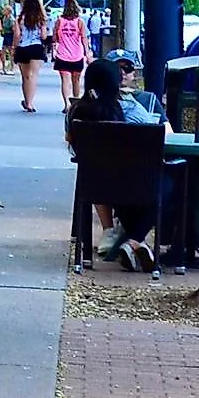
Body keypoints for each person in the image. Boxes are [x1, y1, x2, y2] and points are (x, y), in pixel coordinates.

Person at [66, 56, 168, 272]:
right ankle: (135, 242)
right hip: (138, 184)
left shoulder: (76, 113)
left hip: (96, 187)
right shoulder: (129, 108)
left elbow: (72, 146)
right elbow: (157, 133)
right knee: (172, 185)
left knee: (132, 192)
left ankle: (133, 244)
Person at [12, 0, 51, 112]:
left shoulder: (19, 18)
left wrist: (14, 47)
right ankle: (30, 103)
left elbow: (17, 35)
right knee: (33, 76)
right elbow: (44, 36)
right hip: (36, 48)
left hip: (22, 48)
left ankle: (26, 100)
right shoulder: (41, 19)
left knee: (25, 77)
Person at [51, 0, 93, 107]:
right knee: (76, 80)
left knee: (65, 81)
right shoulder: (80, 22)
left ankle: (66, 104)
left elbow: (54, 38)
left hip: (62, 54)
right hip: (77, 55)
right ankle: (76, 103)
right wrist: (87, 54)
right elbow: (84, 38)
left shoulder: (59, 21)